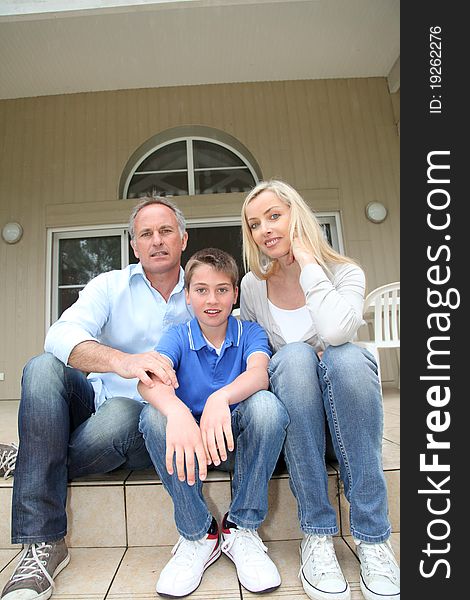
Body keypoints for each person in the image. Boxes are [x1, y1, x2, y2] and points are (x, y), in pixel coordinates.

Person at [1, 197, 193, 600]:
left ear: (183, 238)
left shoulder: (205, 289)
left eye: (165, 231)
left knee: (127, 412)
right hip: (98, 411)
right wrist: (121, 361)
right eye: (146, 234)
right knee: (42, 367)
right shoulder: (111, 284)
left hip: (155, 424)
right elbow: (59, 335)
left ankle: (30, 457)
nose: (156, 240)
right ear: (134, 245)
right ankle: (43, 541)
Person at [239, 180, 400, 600]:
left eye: (275, 216)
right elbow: (259, 356)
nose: (265, 230)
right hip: (300, 433)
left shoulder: (346, 272)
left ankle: (373, 538)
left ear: (297, 216)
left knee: (348, 355)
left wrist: (309, 262)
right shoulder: (253, 286)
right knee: (291, 358)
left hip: (349, 431)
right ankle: (316, 534)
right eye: (255, 224)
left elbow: (334, 330)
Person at [138, 248, 289, 598]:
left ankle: (241, 528)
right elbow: (147, 380)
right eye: (202, 290)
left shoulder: (250, 332)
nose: (212, 299)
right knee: (152, 416)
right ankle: (198, 534)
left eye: (222, 289)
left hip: (237, 443)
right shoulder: (177, 335)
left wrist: (218, 399)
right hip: (190, 448)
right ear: (187, 295)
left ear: (235, 294)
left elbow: (259, 374)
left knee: (267, 407)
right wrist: (177, 413)